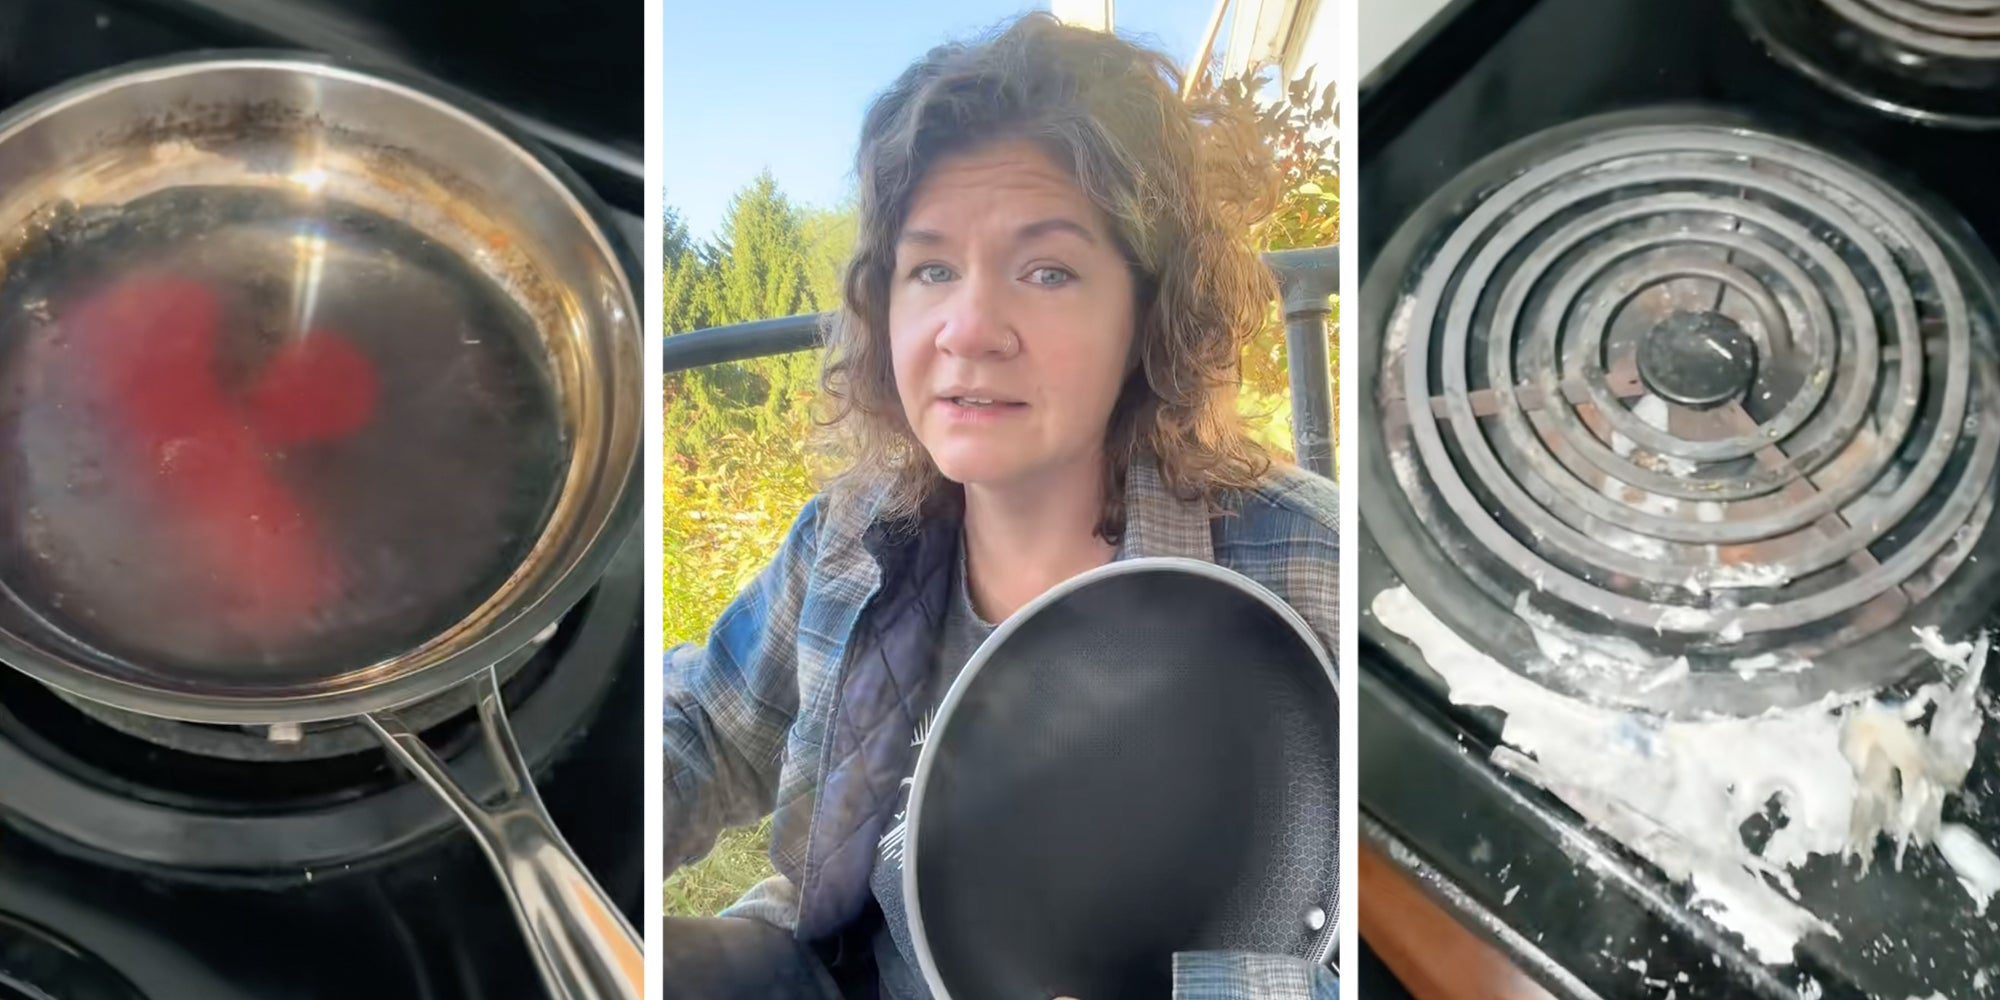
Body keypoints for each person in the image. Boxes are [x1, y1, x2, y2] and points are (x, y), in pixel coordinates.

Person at [663, 13, 1338, 999]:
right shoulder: (851, 535)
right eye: (930, 268)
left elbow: (1370, 943)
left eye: (1047, 270)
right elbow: (706, 729)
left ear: (1147, 312)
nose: (967, 329)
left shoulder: (1298, 561)